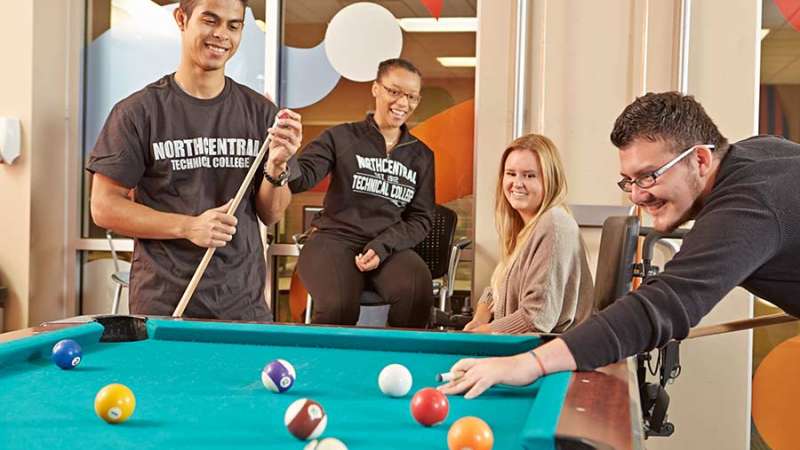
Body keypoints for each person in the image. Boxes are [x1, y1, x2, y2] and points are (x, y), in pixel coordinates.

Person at [440, 91, 800, 399]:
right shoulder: (757, 154)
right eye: (628, 180)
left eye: (648, 176)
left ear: (701, 159)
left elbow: (662, 306)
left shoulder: (750, 205)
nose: (638, 195)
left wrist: (529, 364)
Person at [88, 0, 302, 321]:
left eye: (233, 25)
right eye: (210, 20)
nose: (221, 34)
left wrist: (276, 168)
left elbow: (270, 213)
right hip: (165, 303)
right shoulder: (138, 112)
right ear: (181, 19)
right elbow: (104, 207)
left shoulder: (261, 113)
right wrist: (188, 226)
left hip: (242, 303)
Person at [288, 58, 435, 328]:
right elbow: (300, 179)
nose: (403, 103)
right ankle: (323, 368)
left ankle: (398, 364)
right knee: (339, 306)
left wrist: (382, 246)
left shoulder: (421, 155)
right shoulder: (341, 137)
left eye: (411, 97)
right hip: (334, 240)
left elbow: (421, 218)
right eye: (394, 91)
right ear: (376, 89)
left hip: (387, 246)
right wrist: (284, 156)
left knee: (416, 290)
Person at [463, 134, 593, 334]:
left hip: (549, 354)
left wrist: (479, 335)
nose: (517, 183)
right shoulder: (525, 227)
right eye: (511, 173)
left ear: (550, 179)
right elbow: (499, 286)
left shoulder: (554, 225)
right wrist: (481, 317)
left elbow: (536, 318)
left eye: (529, 175)